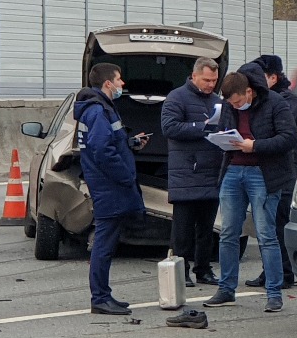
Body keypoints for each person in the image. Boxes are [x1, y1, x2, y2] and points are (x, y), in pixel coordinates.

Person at [203, 69, 297, 313]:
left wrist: (255, 145)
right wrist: (223, 139)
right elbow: (226, 128)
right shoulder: (229, 106)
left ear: (249, 92)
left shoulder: (275, 103)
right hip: (233, 170)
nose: (235, 107)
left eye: (238, 102)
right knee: (227, 233)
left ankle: (274, 293)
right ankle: (226, 289)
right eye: (231, 104)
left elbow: (289, 138)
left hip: (263, 173)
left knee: (267, 235)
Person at [75, 62, 149, 316]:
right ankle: (100, 298)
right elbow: (102, 151)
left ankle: (104, 295)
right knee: (104, 245)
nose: (122, 84)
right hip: (109, 186)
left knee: (107, 242)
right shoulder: (97, 111)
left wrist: (130, 143)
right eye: (119, 79)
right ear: (108, 83)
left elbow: (109, 143)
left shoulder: (103, 108)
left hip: (108, 185)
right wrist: (125, 176)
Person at [160, 57, 223, 288]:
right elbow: (169, 127)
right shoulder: (176, 97)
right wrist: (201, 127)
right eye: (207, 80)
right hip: (186, 173)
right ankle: (181, 270)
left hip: (211, 172)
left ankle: (203, 269)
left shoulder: (217, 101)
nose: (211, 85)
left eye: (214, 80)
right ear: (194, 76)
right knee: (183, 230)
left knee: (206, 229)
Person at [242, 55, 297, 290]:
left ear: (272, 77)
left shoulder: (286, 102)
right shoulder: (272, 100)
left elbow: (279, 136)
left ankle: (282, 273)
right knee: (269, 224)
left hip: (284, 171)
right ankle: (272, 271)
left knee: (278, 223)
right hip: (270, 170)